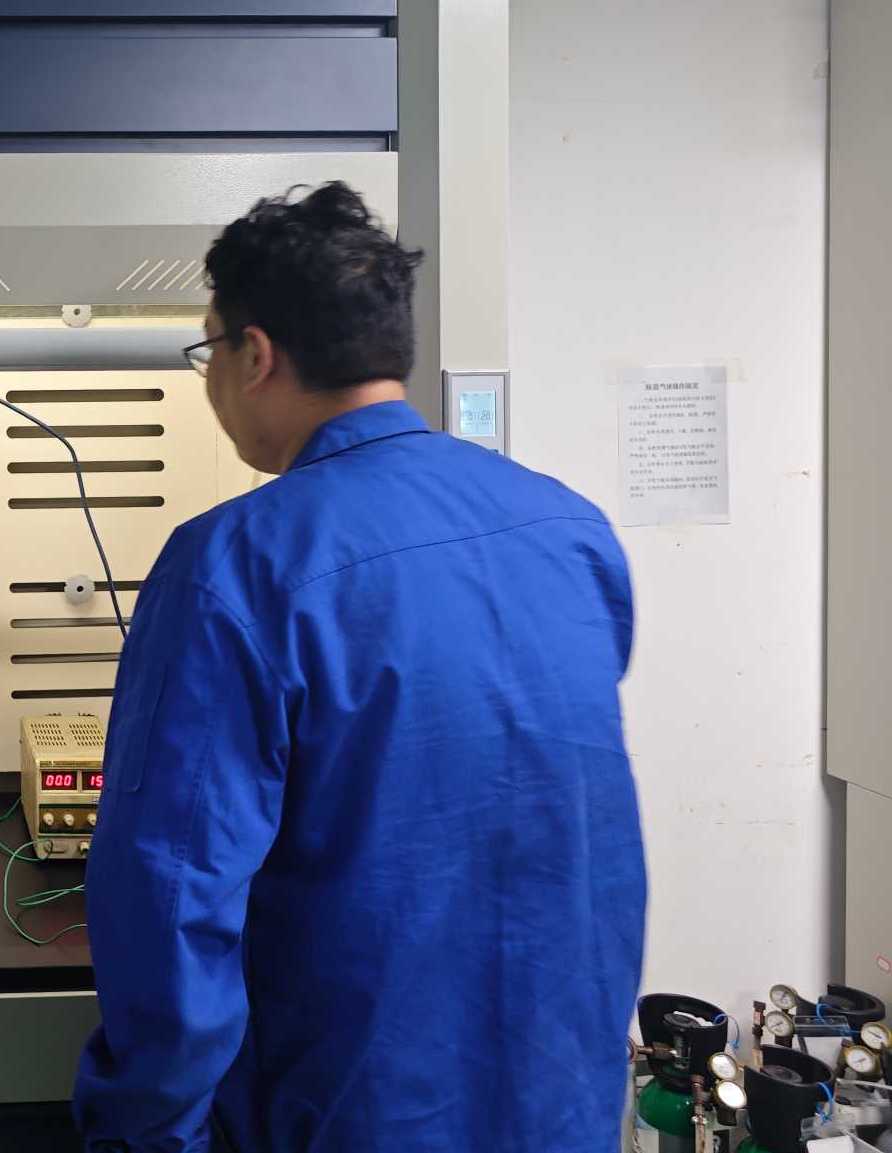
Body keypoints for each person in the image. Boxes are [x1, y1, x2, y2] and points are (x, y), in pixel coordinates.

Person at [73, 184, 645, 1152]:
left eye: (207, 352)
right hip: (565, 1110)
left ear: (255, 355)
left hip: (349, 1118)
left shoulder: (232, 568)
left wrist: (145, 1136)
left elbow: (169, 907)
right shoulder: (570, 531)